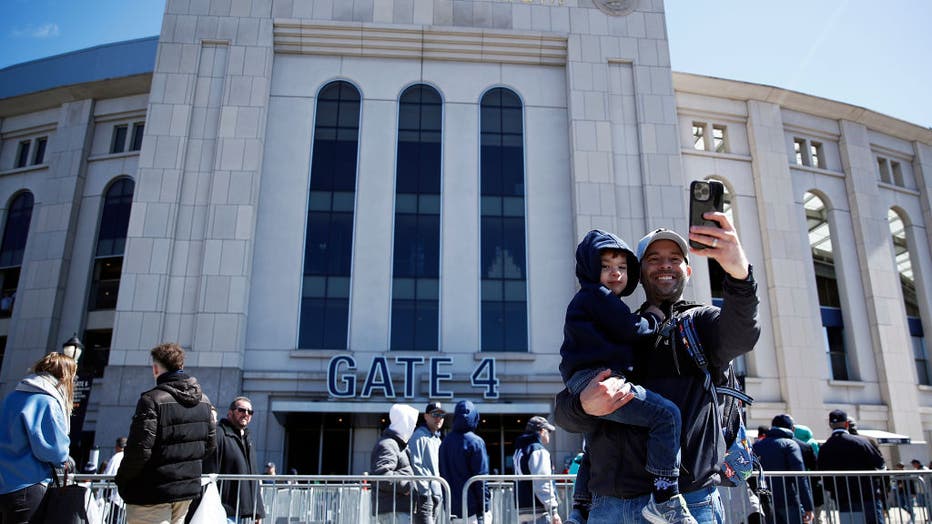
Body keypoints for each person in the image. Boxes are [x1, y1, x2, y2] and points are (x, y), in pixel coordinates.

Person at [554, 218, 760, 524]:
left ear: (688, 270)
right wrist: (584, 404)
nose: (665, 266)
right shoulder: (616, 327)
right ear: (640, 272)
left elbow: (742, 334)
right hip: (609, 509)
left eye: (675, 259)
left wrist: (739, 273)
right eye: (654, 259)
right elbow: (562, 412)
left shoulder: (700, 324)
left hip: (687, 504)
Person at [559, 229, 692, 523]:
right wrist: (654, 318)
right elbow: (631, 329)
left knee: (594, 440)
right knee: (666, 416)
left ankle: (580, 509)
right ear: (590, 268)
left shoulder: (590, 300)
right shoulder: (597, 296)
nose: (615, 273)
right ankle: (665, 495)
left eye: (621, 267)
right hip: (598, 379)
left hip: (585, 379)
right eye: (606, 266)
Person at [115, 342, 217, 524]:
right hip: (184, 490)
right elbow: (209, 447)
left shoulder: (151, 400)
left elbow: (139, 450)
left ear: (155, 368)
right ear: (181, 365)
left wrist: (122, 480)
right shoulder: (204, 402)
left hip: (151, 490)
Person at [0, 352, 76, 524]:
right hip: (29, 484)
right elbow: (53, 451)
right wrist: (64, 458)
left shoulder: (11, 397)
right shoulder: (46, 401)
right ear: (65, 377)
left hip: (4, 483)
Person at [817, 409, 886, 524]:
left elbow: (822, 474)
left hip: (842, 497)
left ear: (830, 425)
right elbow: (881, 465)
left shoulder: (825, 448)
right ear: (847, 424)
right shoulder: (862, 442)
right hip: (867, 495)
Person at [205, 396, 266, 523]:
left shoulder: (248, 439)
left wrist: (258, 511)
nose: (246, 414)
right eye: (242, 410)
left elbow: (253, 476)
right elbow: (209, 471)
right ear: (230, 412)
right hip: (223, 511)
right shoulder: (219, 434)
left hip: (245, 513)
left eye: (250, 412)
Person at [751, 414, 814, 524]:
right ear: (792, 428)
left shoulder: (757, 446)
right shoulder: (790, 444)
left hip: (766, 501)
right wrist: (808, 506)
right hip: (789, 500)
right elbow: (800, 477)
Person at [439, 400, 491, 523]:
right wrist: (486, 506)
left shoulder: (445, 442)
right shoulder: (476, 442)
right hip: (473, 511)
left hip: (452, 510)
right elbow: (481, 479)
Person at [370, 403, 419, 523]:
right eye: (412, 423)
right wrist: (408, 486)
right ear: (404, 422)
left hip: (396, 510)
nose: (414, 427)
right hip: (393, 511)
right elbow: (382, 476)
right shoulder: (389, 445)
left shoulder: (396, 445)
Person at [513, 416, 562, 524]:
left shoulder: (521, 448)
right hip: (538, 509)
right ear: (542, 431)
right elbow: (543, 481)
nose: (549, 434)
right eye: (548, 431)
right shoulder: (538, 450)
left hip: (522, 509)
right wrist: (553, 511)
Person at [409, 401, 446, 524]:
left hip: (436, 494)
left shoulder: (437, 439)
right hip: (425, 496)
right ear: (426, 416)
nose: (439, 418)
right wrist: (425, 490)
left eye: (441, 415)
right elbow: (415, 465)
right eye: (435, 414)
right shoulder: (419, 436)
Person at [102, 437, 129, 524]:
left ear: (117, 447)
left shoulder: (115, 458)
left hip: (115, 496)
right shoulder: (129, 457)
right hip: (126, 496)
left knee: (114, 519)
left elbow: (107, 476)